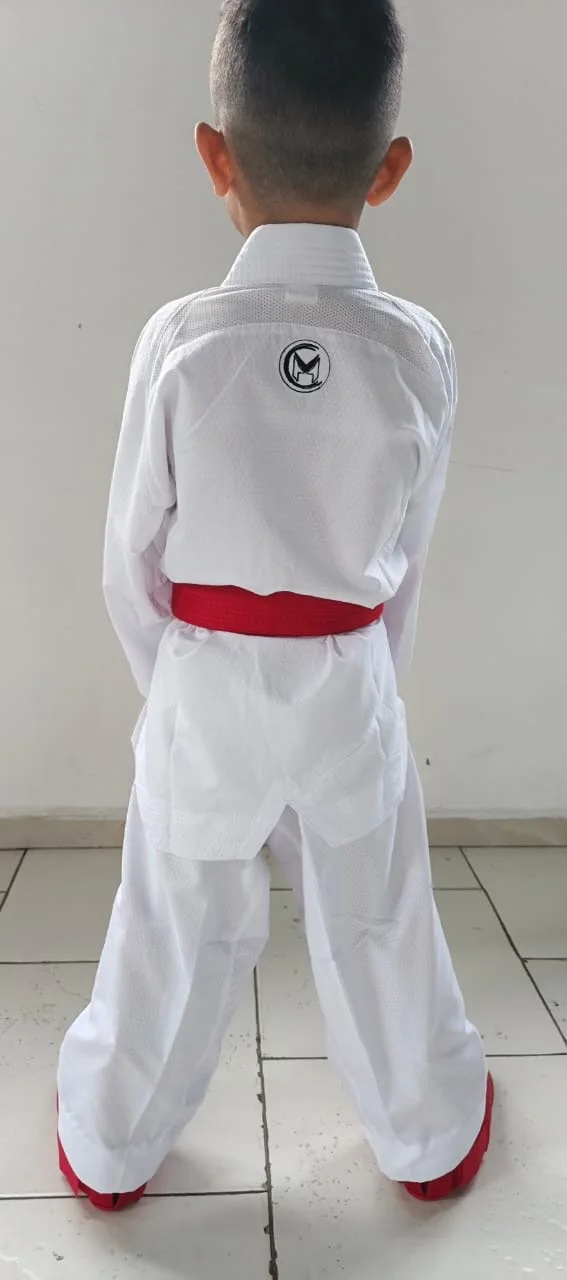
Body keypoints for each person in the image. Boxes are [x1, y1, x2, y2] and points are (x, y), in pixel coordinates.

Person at [57, 0, 493, 1212]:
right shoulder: (419, 351)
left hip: (201, 674)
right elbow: (406, 556)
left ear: (215, 155)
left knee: (172, 919)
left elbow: (129, 557)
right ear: (390, 168)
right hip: (349, 676)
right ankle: (430, 1132)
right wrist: (365, 680)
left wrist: (181, 686)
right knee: (378, 916)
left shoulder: (182, 341)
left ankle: (109, 1142)